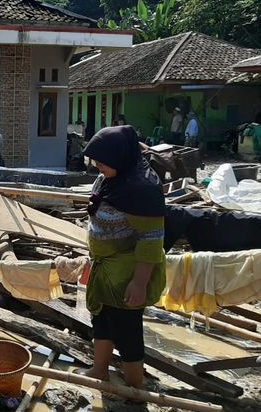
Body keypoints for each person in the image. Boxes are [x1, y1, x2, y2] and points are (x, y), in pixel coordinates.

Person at [81, 125, 166, 388]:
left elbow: (151, 241)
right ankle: (99, 370)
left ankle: (134, 387)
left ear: (121, 157)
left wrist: (139, 283)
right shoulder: (108, 179)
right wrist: (90, 258)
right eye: (95, 162)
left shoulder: (142, 190)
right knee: (102, 320)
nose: (98, 167)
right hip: (104, 268)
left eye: (102, 162)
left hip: (127, 272)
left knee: (127, 329)